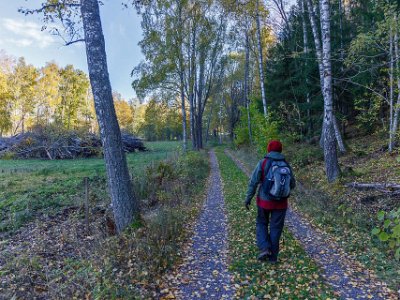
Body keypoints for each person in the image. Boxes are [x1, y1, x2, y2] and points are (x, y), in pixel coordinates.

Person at [244, 140, 296, 263]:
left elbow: (253, 182)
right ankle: (273, 258)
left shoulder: (263, 163)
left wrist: (248, 198)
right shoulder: (286, 164)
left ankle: (264, 248)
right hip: (281, 204)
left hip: (264, 202)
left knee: (261, 223)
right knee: (276, 228)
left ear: (269, 149)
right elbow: (292, 184)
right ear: (280, 150)